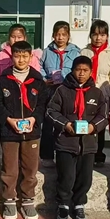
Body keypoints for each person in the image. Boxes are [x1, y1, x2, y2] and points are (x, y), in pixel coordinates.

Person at [0, 41, 49, 219]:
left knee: (30, 168)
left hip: (32, 132)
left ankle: (27, 200)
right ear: (12, 57)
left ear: (31, 57)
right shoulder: (4, 80)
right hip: (9, 132)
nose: (21, 60)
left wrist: (34, 119)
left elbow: (43, 104)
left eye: (25, 56)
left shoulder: (37, 80)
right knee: (10, 168)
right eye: (17, 56)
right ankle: (9, 199)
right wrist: (9, 120)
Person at [46, 56, 107, 219]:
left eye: (85, 70)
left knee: (85, 177)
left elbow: (103, 116)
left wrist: (93, 127)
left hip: (88, 144)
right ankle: (63, 204)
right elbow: (51, 111)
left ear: (91, 72)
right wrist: (65, 125)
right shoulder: (62, 90)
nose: (81, 74)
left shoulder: (97, 93)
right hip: (66, 142)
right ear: (72, 70)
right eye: (78, 70)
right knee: (66, 176)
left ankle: (79, 204)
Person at [39, 21, 81, 163]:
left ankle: (65, 154)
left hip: (68, 92)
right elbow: (39, 66)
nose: (60, 37)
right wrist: (45, 79)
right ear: (53, 35)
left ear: (68, 36)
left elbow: (78, 69)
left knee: (65, 122)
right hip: (50, 91)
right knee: (48, 123)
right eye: (57, 34)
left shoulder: (75, 52)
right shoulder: (47, 51)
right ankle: (47, 156)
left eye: (64, 34)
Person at [80, 20, 110, 167]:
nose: (98, 38)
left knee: (100, 124)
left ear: (107, 36)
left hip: (103, 95)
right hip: (85, 94)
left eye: (102, 35)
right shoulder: (84, 52)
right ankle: (84, 152)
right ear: (90, 35)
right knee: (85, 122)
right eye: (95, 34)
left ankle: (99, 155)